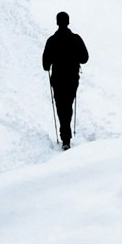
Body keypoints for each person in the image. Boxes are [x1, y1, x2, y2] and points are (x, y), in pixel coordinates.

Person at [42, 10, 89, 149]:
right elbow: (85, 58)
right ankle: (66, 136)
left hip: (57, 79)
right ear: (68, 22)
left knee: (61, 106)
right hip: (72, 78)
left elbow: (45, 65)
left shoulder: (52, 40)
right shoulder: (76, 39)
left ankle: (65, 137)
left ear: (57, 22)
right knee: (68, 105)